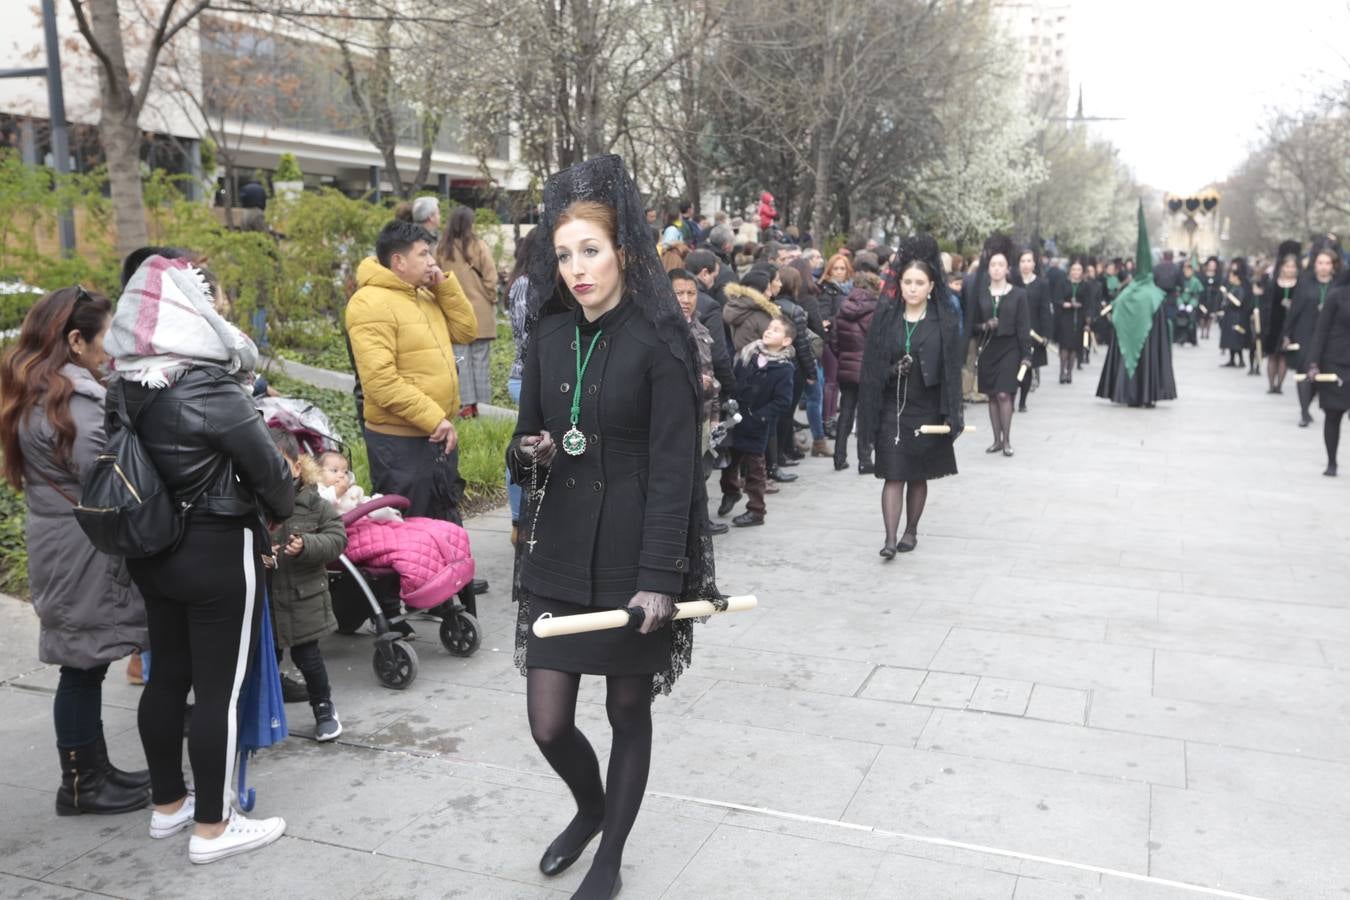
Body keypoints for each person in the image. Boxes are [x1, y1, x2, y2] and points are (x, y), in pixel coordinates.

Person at [506, 155, 716, 900]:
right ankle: (590, 809)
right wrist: (525, 452)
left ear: (622, 249)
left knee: (627, 709)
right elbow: (527, 451)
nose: (576, 269)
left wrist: (661, 579)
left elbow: (675, 474)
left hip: (635, 558)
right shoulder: (548, 340)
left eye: (589, 250)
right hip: (559, 553)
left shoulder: (663, 345)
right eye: (563, 256)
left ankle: (611, 854)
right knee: (549, 723)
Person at [105, 254, 294, 862]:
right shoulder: (208, 386)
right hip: (216, 549)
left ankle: (168, 806)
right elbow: (274, 480)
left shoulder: (125, 383)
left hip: (151, 548)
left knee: (167, 675)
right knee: (220, 690)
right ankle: (213, 827)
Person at [0, 286, 150, 816]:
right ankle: (83, 785)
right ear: (76, 340)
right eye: (105, 335)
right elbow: (106, 471)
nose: (112, 348)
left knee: (82, 663)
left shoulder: (40, 390)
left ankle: (93, 773)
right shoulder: (67, 401)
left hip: (65, 541)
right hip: (78, 547)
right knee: (80, 666)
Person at [346, 220, 479, 522]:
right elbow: (380, 382)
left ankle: (450, 571)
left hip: (436, 433)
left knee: (443, 516)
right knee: (410, 527)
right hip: (401, 441)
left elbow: (467, 330)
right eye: (423, 254)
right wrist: (433, 418)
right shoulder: (369, 303)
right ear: (398, 261)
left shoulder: (424, 294)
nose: (432, 261)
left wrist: (444, 286)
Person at [858, 234, 962, 557]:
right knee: (893, 472)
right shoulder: (886, 317)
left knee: (917, 474)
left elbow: (951, 371)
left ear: (931, 286)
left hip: (926, 407)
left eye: (920, 282)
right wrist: (892, 371)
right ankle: (889, 540)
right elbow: (872, 367)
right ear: (899, 284)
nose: (913, 288)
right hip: (891, 407)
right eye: (908, 282)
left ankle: (910, 531)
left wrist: (951, 413)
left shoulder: (944, 320)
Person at [266, 429, 348, 742]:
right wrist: (264, 557)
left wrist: (308, 545)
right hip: (268, 601)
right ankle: (267, 712)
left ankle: (324, 708)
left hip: (303, 599)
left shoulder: (314, 503)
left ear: (297, 468)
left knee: (309, 660)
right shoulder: (255, 503)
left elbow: (337, 538)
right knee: (267, 660)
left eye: (281, 465)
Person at [671, 268, 733, 536]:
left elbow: (712, 372)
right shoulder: (665, 330)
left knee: (703, 470)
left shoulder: (700, 327)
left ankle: (699, 522)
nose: (686, 299)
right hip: (679, 417)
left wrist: (716, 416)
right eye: (679, 293)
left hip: (705, 414)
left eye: (691, 293)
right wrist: (702, 382)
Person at [1096, 204, 1177, 408]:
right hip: (1146, 344)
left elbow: (1116, 313)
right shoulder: (1154, 295)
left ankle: (1128, 391)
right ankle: (1146, 392)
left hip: (1131, 340)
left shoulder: (1129, 293)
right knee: (1144, 357)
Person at [719, 317, 797, 526]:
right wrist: (729, 401)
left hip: (756, 424)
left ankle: (756, 510)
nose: (770, 331)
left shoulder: (784, 368)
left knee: (755, 470)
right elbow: (734, 379)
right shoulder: (749, 353)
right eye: (769, 327)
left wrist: (758, 417)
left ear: (786, 341)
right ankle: (731, 491)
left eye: (776, 330)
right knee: (728, 464)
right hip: (735, 420)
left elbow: (783, 401)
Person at [967, 235, 1031, 456]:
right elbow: (971, 325)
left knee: (1005, 394)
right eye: (993, 265)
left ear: (1007, 269)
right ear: (988, 268)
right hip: (988, 348)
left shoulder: (1019, 294)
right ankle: (996, 439)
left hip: (1010, 348)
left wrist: (1026, 354)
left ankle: (1007, 441)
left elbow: (1024, 326)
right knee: (992, 395)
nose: (996, 269)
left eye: (1000, 265)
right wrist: (984, 325)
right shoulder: (980, 294)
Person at [436, 206, 500, 418]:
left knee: (461, 361)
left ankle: (466, 407)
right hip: (480, 312)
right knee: (480, 361)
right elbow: (491, 278)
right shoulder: (479, 246)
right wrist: (492, 296)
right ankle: (484, 408)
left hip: (454, 314)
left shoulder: (442, 249)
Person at [506, 228, 541, 545]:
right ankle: (519, 520)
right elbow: (527, 337)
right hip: (526, 378)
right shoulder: (524, 285)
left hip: (538, 378)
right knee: (522, 450)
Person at [1284, 246, 1340, 427]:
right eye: (1320, 263)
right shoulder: (1305, 283)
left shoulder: (1338, 286)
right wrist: (1287, 334)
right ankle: (1304, 412)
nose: (1323, 267)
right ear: (1314, 264)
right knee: (1304, 373)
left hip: (1329, 337)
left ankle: (1308, 404)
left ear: (1333, 266)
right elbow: (1294, 311)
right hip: (1305, 333)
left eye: (1327, 263)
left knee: (1319, 374)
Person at [832, 270, 881, 473]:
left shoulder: (842, 307)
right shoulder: (876, 310)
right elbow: (879, 342)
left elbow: (834, 342)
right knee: (865, 414)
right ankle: (865, 459)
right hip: (868, 369)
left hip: (846, 366)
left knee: (846, 412)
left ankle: (839, 457)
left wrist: (844, 357)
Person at [1307, 268, 1350, 475]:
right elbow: (1321, 330)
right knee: (1333, 415)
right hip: (1335, 362)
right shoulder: (1337, 295)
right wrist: (1314, 362)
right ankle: (1331, 461)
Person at [1014, 248, 1052, 412]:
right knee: (1012, 365)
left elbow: (1045, 310)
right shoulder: (1012, 281)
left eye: (1029, 261)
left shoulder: (1042, 283)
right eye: (1023, 261)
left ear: (1034, 263)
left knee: (1028, 365)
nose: (1026, 264)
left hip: (1033, 331)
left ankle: (1022, 401)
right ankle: (1011, 398)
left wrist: (1045, 334)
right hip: (1014, 330)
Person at [1261, 243, 1301, 394]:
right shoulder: (1273, 283)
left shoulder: (1299, 285)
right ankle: (1271, 385)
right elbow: (1267, 302)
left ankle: (1279, 385)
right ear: (1282, 267)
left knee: (1284, 356)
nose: (1289, 269)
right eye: (1287, 266)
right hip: (1274, 322)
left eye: (1293, 267)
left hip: (1289, 324)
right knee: (1273, 355)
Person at [722, 265, 782, 352]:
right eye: (767, 290)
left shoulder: (740, 308)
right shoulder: (757, 314)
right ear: (758, 292)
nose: (770, 294)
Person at [1053, 258, 1090, 384]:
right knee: (1064, 346)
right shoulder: (1063, 283)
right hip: (1065, 318)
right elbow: (1056, 299)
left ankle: (1069, 373)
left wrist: (1087, 319)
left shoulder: (1085, 285)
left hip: (1079, 318)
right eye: (1074, 269)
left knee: (1074, 347)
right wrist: (1066, 304)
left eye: (1079, 269)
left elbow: (1088, 303)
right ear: (1070, 270)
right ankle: (1062, 371)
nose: (1076, 272)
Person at [1218, 258, 1252, 369]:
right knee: (1229, 339)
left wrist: (1228, 295)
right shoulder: (1231, 287)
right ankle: (1232, 359)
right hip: (1229, 315)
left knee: (1236, 338)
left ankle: (1241, 360)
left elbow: (1238, 302)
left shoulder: (1241, 288)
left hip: (1237, 316)